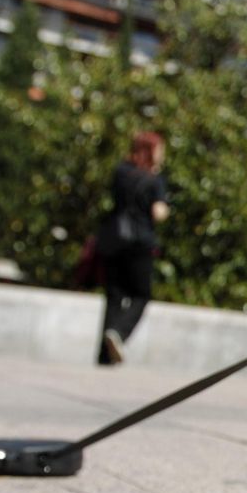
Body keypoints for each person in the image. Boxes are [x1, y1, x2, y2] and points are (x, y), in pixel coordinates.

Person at [96, 132, 169, 366]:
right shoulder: (154, 180)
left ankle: (104, 357)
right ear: (151, 151)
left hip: (114, 240)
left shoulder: (121, 172)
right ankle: (119, 333)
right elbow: (158, 213)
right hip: (140, 242)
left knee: (114, 296)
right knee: (141, 295)